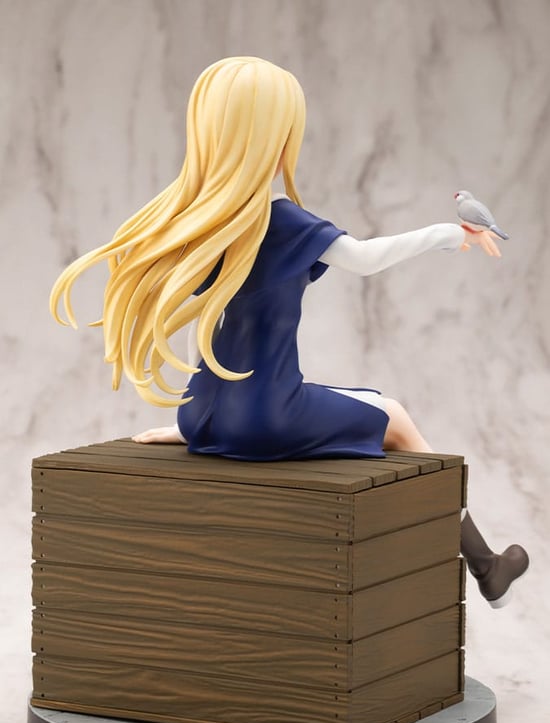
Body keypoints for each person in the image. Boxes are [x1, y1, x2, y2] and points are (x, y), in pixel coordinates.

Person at [50, 56, 528, 607]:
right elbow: (366, 259)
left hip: (201, 414)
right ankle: (486, 566)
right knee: (393, 414)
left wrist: (196, 421)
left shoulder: (195, 218)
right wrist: (448, 233)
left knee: (357, 398)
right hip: (265, 419)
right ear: (274, 140)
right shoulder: (281, 220)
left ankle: (215, 426)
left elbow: (194, 310)